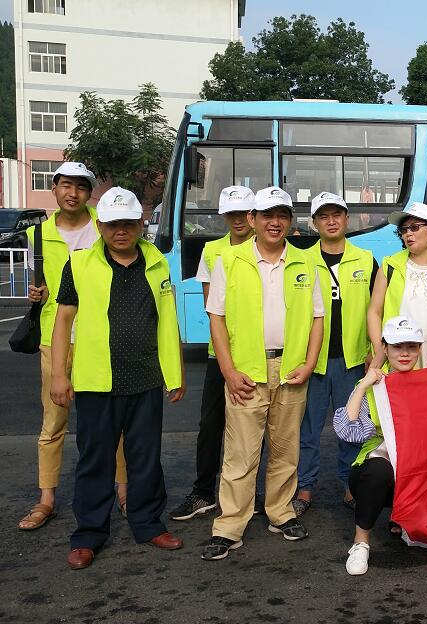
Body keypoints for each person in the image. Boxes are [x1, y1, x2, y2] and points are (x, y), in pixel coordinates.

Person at [50, 187, 186, 569]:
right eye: (112, 224)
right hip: (96, 381)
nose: (121, 231)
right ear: (101, 226)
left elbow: (168, 320)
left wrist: (175, 373)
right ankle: (88, 535)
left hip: (145, 379)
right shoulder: (79, 264)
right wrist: (59, 374)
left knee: (146, 458)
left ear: (141, 224)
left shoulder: (157, 262)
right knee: (95, 461)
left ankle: (148, 523)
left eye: (128, 223)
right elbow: (63, 321)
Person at [201, 186, 325, 560]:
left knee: (286, 450)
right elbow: (216, 318)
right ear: (252, 219)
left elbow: (318, 318)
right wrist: (228, 370)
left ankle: (281, 512)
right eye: (267, 215)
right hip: (246, 372)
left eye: (282, 215)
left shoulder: (305, 262)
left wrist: (308, 363)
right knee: (240, 454)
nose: (275, 222)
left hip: (291, 370)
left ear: (290, 221)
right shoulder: (230, 260)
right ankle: (229, 526)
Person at [20, 162, 129, 531]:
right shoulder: (37, 234)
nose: (73, 193)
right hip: (56, 339)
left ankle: (124, 490)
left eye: (81, 187)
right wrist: (36, 294)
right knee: (53, 422)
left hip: (102, 336)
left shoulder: (106, 225)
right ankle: (46, 499)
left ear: (90, 193)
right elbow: (38, 282)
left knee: (113, 421)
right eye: (66, 185)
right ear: (54, 188)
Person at [169, 185, 255, 521]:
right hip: (220, 353)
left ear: (253, 215)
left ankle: (249, 493)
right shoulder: (212, 250)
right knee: (210, 424)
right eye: (231, 214)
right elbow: (211, 308)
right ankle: (203, 492)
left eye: (243, 213)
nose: (238, 220)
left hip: (257, 352)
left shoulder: (265, 247)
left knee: (254, 428)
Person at [294, 192, 379, 517]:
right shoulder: (301, 261)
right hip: (311, 361)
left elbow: (377, 309)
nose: (331, 221)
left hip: (353, 360)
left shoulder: (366, 259)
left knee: (353, 427)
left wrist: (374, 351)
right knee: (308, 430)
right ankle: (305, 487)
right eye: (324, 216)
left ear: (346, 219)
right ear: (314, 223)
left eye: (337, 215)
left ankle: (350, 486)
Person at [336, 316, 424, 575]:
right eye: (397, 346)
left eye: (411, 346)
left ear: (420, 349)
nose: (405, 353)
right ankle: (361, 543)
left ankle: (407, 520)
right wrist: (363, 384)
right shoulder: (375, 387)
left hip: (417, 470)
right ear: (384, 348)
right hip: (378, 470)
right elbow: (347, 430)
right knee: (378, 470)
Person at [367, 202, 427, 369]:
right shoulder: (389, 266)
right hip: (396, 362)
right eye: (404, 230)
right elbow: (374, 312)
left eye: (415, 227)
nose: (408, 234)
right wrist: (381, 350)